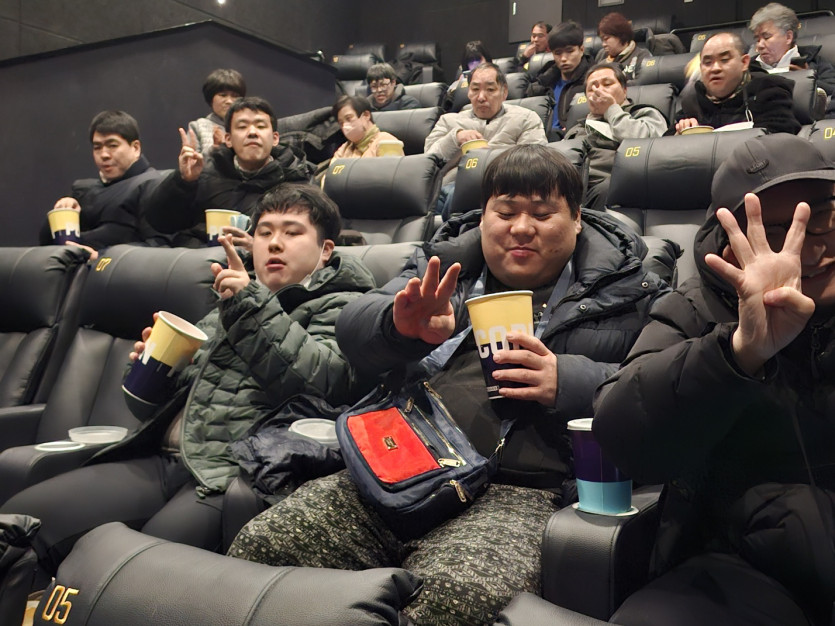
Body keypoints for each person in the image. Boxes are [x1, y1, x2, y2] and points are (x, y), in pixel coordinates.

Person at [227, 144, 668, 626]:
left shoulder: (629, 289)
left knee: (452, 602)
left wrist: (569, 380)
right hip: (403, 460)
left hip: (520, 491)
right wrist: (399, 328)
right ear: (484, 216)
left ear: (577, 219)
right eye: (505, 212)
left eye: (543, 214)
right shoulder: (447, 265)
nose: (522, 228)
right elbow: (353, 328)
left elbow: (665, 387)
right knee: (264, 547)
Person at [3, 183, 376, 579]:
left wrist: (249, 303)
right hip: (164, 458)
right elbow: (153, 403)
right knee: (19, 523)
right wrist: (153, 371)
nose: (274, 243)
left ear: (326, 250)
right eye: (264, 232)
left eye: (292, 232)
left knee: (134, 574)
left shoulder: (346, 305)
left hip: (231, 474)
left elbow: (322, 386)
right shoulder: (232, 301)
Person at [593, 133, 835, 626]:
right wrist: (739, 353)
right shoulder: (694, 309)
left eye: (823, 220)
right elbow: (622, 433)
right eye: (774, 232)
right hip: (742, 565)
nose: (809, 251)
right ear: (731, 246)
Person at [144, 96, 312, 249]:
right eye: (242, 126)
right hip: (196, 261)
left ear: (275, 138)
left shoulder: (295, 182)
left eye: (260, 126)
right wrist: (183, 182)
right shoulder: (206, 171)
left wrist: (258, 248)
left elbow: (303, 243)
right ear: (228, 139)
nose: (252, 132)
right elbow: (162, 223)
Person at [39, 110, 168, 257]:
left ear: (135, 148)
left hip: (116, 269)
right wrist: (62, 213)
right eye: (97, 147)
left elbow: (157, 248)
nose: (104, 155)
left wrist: (101, 257)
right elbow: (49, 244)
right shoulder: (83, 192)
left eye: (112, 145)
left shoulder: (151, 185)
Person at [565, 63, 668, 210]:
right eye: (592, 88)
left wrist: (611, 110)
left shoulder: (643, 114)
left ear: (625, 90)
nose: (599, 90)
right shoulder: (577, 128)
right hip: (576, 186)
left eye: (607, 84)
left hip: (616, 184)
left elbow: (648, 146)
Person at [675, 32, 801, 135]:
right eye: (707, 63)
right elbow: (668, 146)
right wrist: (681, 133)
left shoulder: (768, 89)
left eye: (724, 60)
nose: (715, 68)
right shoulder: (693, 102)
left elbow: (780, 137)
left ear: (744, 62)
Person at [424, 63, 547, 162]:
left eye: (490, 89)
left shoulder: (526, 118)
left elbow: (535, 162)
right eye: (475, 89)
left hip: (505, 182)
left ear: (504, 92)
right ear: (468, 92)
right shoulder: (447, 121)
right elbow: (427, 159)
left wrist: (490, 156)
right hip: (455, 182)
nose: (481, 97)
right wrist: (455, 138)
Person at [749, 2, 835, 113]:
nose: (760, 45)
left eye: (766, 37)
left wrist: (808, 81)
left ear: (788, 37)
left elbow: (832, 92)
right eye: (757, 39)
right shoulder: (747, 69)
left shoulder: (816, 62)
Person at [526, 21, 594, 137]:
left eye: (570, 51)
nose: (563, 58)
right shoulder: (543, 82)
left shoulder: (593, 82)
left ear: (581, 50)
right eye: (558, 53)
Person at [187, 68, 246, 155]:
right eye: (223, 95)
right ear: (211, 99)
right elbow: (193, 161)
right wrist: (215, 149)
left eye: (235, 96)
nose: (229, 101)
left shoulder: (249, 128)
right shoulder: (198, 127)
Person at [330, 95, 401, 160]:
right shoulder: (344, 149)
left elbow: (391, 169)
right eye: (341, 123)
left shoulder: (387, 142)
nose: (345, 126)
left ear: (366, 115)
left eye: (349, 118)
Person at [594, 12, 652, 81]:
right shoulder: (601, 55)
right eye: (602, 40)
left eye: (606, 39)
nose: (603, 44)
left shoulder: (642, 56)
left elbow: (642, 83)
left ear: (621, 36)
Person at [442, 40, 493, 112]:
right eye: (471, 61)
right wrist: (460, 87)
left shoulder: (497, 79)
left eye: (478, 60)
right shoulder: (458, 84)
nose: (475, 64)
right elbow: (447, 109)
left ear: (486, 59)